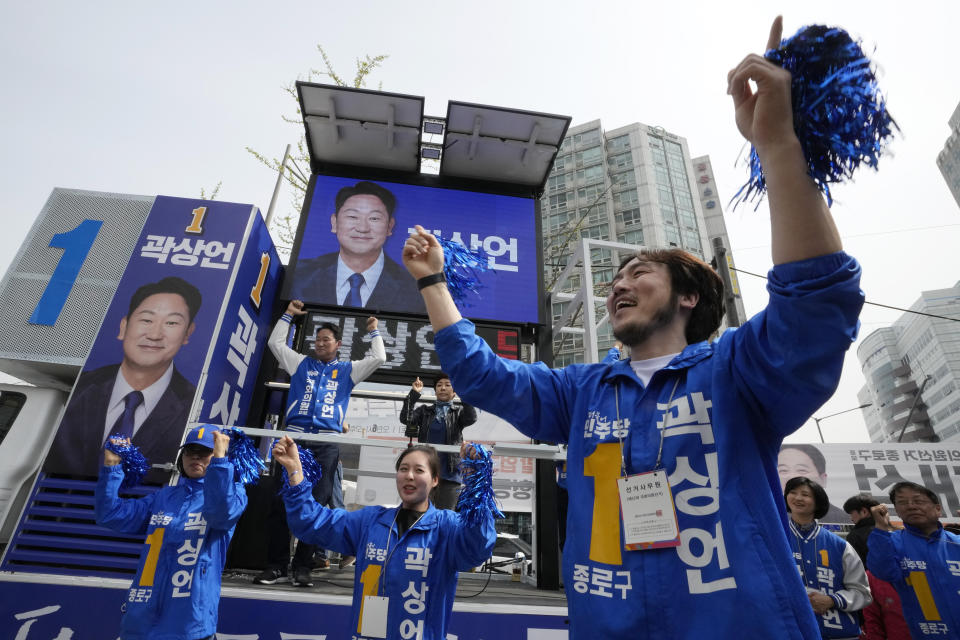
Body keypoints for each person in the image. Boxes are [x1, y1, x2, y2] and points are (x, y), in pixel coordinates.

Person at [401, 16, 865, 639]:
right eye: (614, 277)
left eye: (639, 271)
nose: (618, 283)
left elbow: (814, 307)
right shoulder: (582, 392)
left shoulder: (736, 371)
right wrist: (434, 282)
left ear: (688, 297)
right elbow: (481, 373)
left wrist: (777, 146)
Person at [273, 436, 496, 640]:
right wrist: (294, 470)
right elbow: (312, 523)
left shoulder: (446, 527)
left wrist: (478, 481)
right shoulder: (370, 520)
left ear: (435, 479)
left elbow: (477, 545)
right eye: (403, 468)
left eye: (419, 470)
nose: (409, 475)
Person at [255, 300, 386, 588]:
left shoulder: (348, 370)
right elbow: (276, 344)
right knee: (280, 503)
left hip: (326, 443)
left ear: (338, 344)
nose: (320, 343)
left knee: (317, 505)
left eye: (326, 340)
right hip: (294, 440)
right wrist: (288, 315)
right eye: (318, 339)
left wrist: (374, 332)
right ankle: (276, 566)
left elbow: (378, 359)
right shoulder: (301, 363)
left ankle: (303, 566)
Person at [95, 425, 247, 640]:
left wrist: (221, 463)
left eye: (205, 452)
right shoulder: (163, 497)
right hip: (140, 623)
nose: (196, 457)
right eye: (190, 451)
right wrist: (111, 468)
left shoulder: (235, 494)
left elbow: (221, 515)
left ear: (220, 455)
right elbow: (109, 515)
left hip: (189, 627)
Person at [45, 276, 201, 479]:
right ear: (123, 326)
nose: (154, 334)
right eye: (146, 320)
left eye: (171, 323)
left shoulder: (194, 407)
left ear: (188, 333)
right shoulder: (82, 387)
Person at [290, 181, 426, 314]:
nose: (362, 228)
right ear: (334, 222)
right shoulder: (300, 276)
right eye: (352, 216)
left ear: (390, 226)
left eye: (374, 218)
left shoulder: (414, 289)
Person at [868, 482, 960, 638]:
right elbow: (883, 572)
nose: (910, 506)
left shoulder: (957, 542)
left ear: (938, 509)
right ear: (896, 510)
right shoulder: (891, 543)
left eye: (918, 501)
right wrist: (881, 529)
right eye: (902, 502)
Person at [785, 477, 871, 639]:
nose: (797, 498)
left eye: (805, 494)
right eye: (792, 492)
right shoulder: (775, 540)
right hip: (789, 630)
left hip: (838, 632)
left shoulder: (839, 545)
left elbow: (863, 593)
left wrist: (833, 600)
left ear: (818, 503)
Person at [400, 373, 478, 509]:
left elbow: (471, 418)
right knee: (419, 514)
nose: (443, 388)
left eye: (448, 385)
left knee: (445, 517)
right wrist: (413, 394)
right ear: (435, 390)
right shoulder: (424, 411)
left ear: (454, 392)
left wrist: (464, 393)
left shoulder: (458, 413)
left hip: (450, 474)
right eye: (439, 385)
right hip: (425, 473)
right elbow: (405, 419)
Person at [778, 444, 849, 523]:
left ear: (823, 479)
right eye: (783, 470)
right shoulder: (769, 518)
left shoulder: (843, 519)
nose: (792, 476)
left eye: (801, 470)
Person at [843, 493, 880, 566]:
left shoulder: (855, 536)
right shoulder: (889, 531)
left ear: (864, 512)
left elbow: (853, 566)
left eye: (851, 513)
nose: (851, 518)